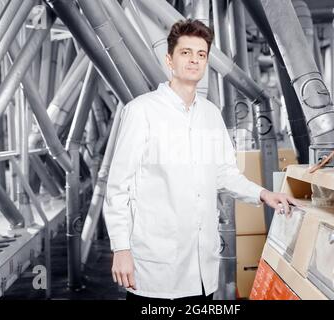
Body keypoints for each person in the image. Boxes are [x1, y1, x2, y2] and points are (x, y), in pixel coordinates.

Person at [103, 19, 300, 302]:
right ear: (169, 60)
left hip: (201, 269)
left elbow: (224, 174)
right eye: (186, 53)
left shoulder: (210, 114)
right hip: (156, 268)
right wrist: (120, 249)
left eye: (201, 54)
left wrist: (263, 194)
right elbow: (117, 187)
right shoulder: (141, 112)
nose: (194, 60)